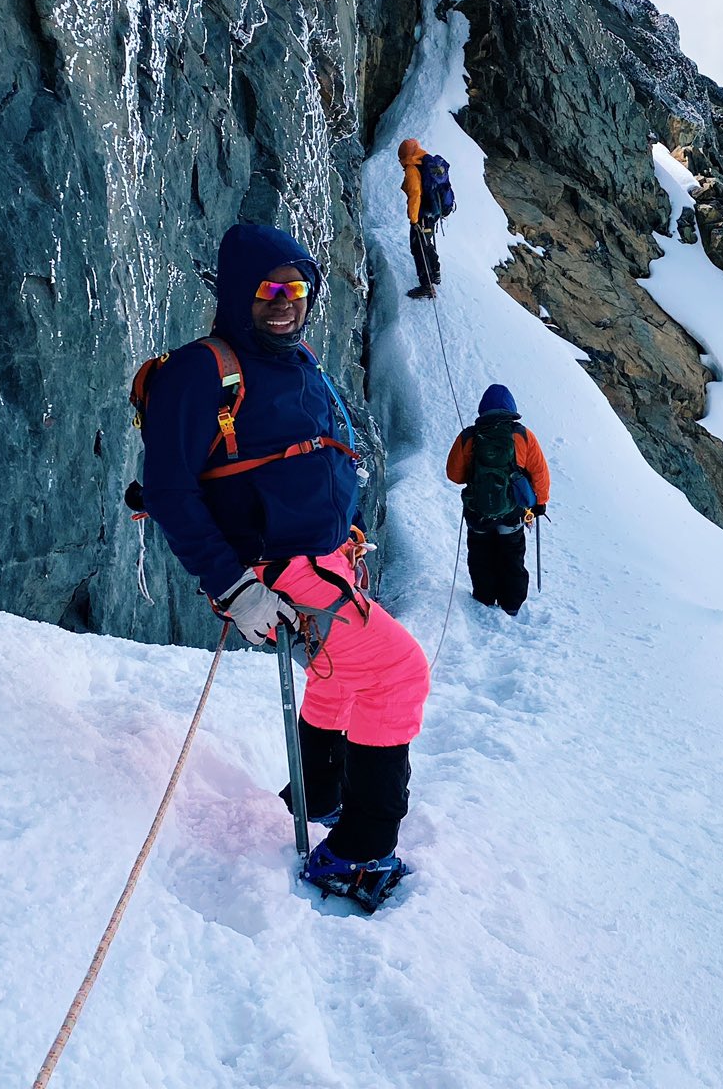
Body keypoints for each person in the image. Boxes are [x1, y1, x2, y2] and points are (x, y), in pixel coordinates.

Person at [139, 222, 430, 910]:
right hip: (272, 571)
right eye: (269, 288)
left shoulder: (294, 359)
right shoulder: (202, 370)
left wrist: (342, 528)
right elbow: (170, 490)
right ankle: (359, 851)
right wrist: (234, 588)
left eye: (297, 288)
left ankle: (319, 793)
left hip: (324, 557)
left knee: (340, 674)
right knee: (397, 670)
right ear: (240, 293)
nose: (284, 301)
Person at [445, 384, 552, 615]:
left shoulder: (470, 435)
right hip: (512, 511)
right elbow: (540, 472)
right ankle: (511, 604)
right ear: (511, 408)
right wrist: (539, 503)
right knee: (512, 556)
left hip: (477, 511)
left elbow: (454, 474)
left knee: (481, 555)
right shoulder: (522, 435)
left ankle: (484, 598)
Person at [397, 137, 453, 299]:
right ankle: (435, 273)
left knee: (418, 247)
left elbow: (415, 194)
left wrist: (414, 220)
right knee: (426, 243)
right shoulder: (429, 164)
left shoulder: (413, 169)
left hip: (422, 214)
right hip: (433, 212)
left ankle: (426, 285)